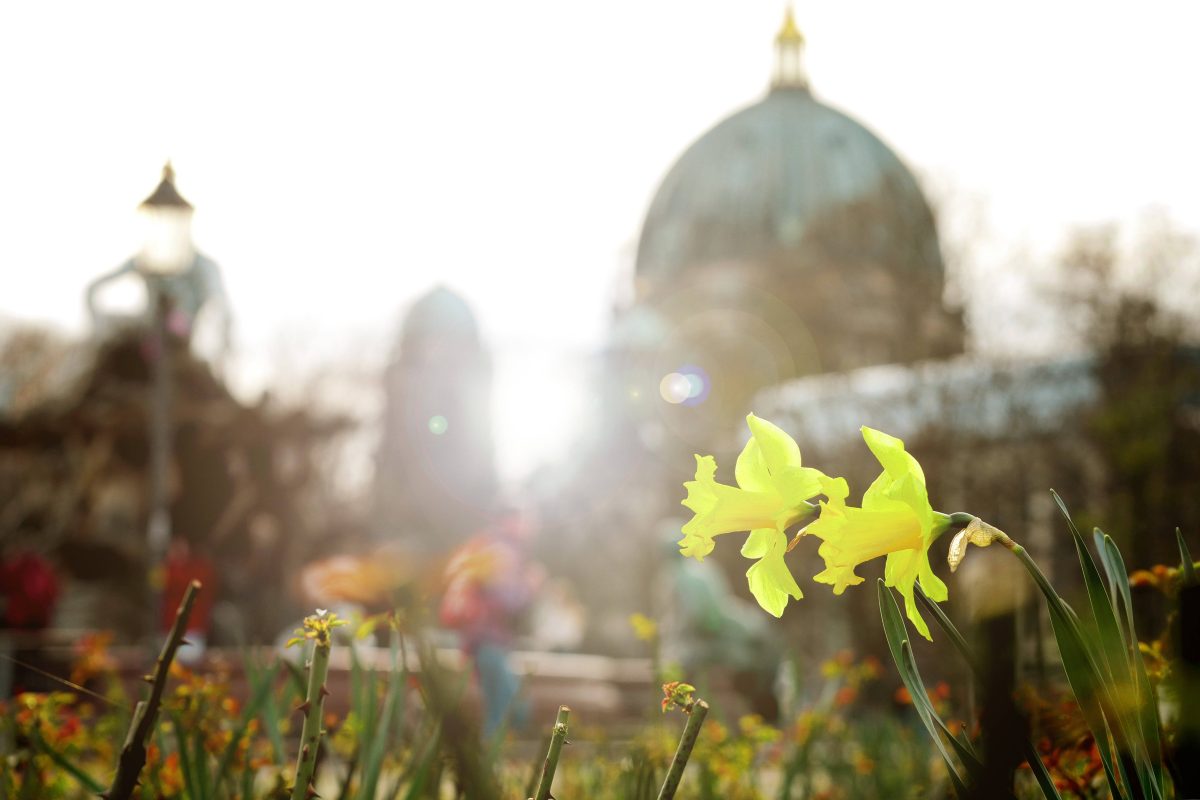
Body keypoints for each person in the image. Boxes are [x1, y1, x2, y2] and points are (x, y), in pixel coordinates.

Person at [439, 510, 541, 739]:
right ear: (512, 521)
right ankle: (488, 760)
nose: (529, 527)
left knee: (499, 707)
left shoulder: (487, 547)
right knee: (513, 708)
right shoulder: (501, 552)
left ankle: (490, 759)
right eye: (526, 521)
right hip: (487, 643)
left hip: (479, 642)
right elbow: (507, 599)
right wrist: (529, 586)